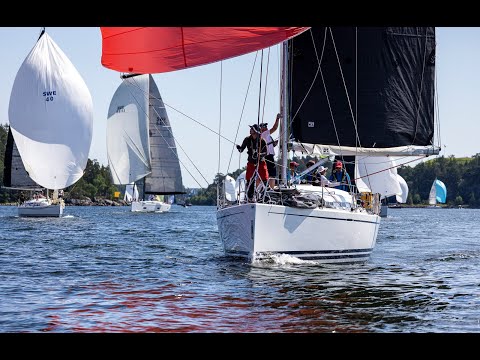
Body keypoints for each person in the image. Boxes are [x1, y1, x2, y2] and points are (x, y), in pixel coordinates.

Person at [236, 124, 269, 201]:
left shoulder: (262, 141)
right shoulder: (247, 139)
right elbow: (241, 150)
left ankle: (266, 195)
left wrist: (259, 155)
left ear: (255, 131)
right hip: (251, 162)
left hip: (260, 162)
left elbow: (266, 152)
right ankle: (249, 195)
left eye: (252, 129)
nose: (250, 130)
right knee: (249, 179)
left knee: (264, 178)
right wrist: (239, 148)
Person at [260, 113, 281, 188]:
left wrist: (274, 143)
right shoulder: (264, 134)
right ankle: (271, 189)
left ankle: (267, 188)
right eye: (265, 126)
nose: (266, 127)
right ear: (261, 128)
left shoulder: (267, 136)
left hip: (268, 155)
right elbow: (274, 128)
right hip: (268, 156)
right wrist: (277, 118)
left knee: (268, 173)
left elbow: (272, 145)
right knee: (272, 174)